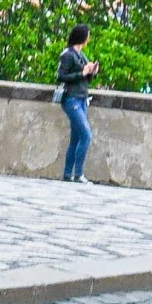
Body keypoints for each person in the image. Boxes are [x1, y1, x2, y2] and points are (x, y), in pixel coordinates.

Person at [55, 22, 98, 183]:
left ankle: (68, 174)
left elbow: (85, 77)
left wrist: (91, 72)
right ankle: (78, 173)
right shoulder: (68, 54)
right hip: (71, 98)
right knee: (86, 135)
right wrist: (82, 73)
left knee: (75, 138)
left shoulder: (81, 55)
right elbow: (61, 76)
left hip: (81, 98)